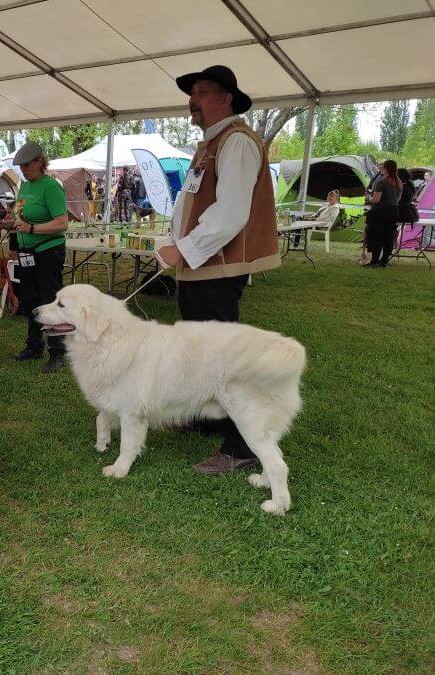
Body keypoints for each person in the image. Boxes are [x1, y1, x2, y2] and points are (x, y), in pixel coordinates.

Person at [155, 65, 280, 476]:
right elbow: (192, 202)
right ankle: (207, 417)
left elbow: (230, 212)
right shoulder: (209, 144)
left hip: (217, 268)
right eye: (193, 93)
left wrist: (184, 249)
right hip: (200, 266)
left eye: (203, 92)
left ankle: (242, 445)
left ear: (226, 97)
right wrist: (176, 243)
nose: (194, 100)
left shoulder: (237, 142)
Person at [0, 141, 68, 373]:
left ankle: (58, 352)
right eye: (20, 166)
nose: (23, 170)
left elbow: (62, 223)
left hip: (48, 251)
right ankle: (34, 346)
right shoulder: (25, 187)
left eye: (27, 165)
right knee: (30, 299)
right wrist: (7, 224)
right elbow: (22, 219)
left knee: (49, 300)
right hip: (27, 253)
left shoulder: (51, 187)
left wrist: (32, 230)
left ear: (40, 162)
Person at [364, 159, 402, 268]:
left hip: (380, 212)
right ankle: (384, 262)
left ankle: (374, 262)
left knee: (377, 238)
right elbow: (397, 199)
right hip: (394, 211)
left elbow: (376, 200)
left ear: (385, 169)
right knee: (388, 238)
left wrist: (368, 197)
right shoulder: (399, 182)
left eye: (382, 168)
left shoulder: (381, 182)